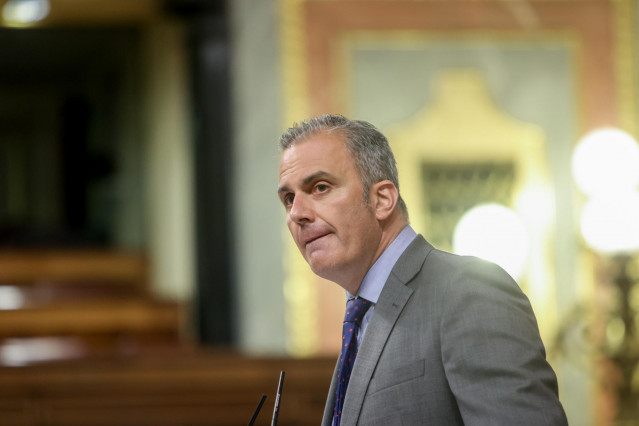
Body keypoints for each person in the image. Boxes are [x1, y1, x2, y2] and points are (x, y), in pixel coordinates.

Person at [277, 114, 568, 425]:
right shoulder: (361, 318)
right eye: (289, 198)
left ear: (382, 199)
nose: (298, 213)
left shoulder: (469, 292)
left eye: (320, 187)